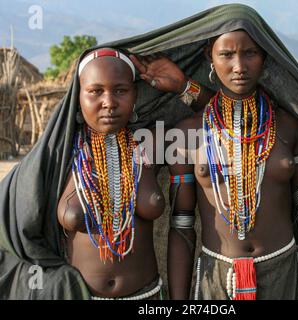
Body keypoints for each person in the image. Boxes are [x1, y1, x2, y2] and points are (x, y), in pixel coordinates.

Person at [131, 7, 298, 300]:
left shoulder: (288, 127)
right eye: (227, 54)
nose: (239, 65)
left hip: (281, 271)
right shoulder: (188, 134)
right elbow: (182, 227)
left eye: (250, 53)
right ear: (210, 58)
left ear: (265, 57)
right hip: (215, 277)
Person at [0, 47, 180, 300]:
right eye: (95, 91)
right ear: (78, 96)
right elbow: (10, 220)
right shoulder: (57, 155)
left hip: (148, 297)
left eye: (120, 90)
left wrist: (183, 86)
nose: (109, 102)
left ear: (135, 94)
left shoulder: (152, 142)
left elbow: (219, 127)